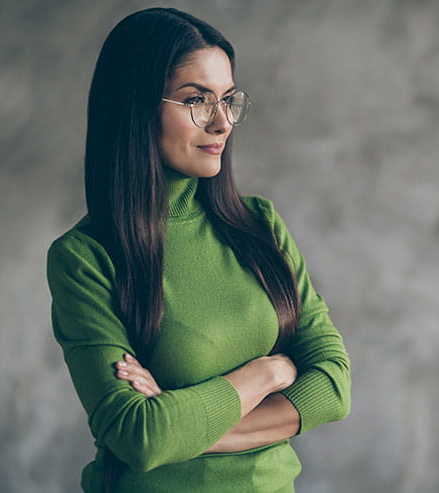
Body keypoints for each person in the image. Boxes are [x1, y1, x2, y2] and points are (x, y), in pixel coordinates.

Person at [45, 7, 351, 492]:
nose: (222, 123)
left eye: (229, 100)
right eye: (196, 100)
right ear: (137, 106)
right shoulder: (85, 259)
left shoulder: (261, 226)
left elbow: (334, 386)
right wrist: (269, 371)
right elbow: (141, 437)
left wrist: (185, 423)